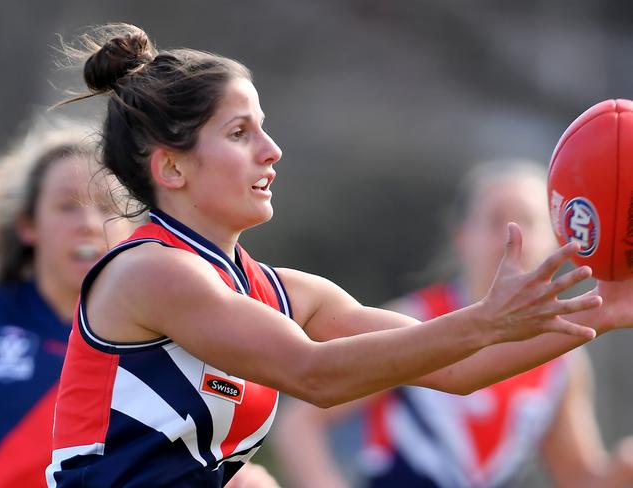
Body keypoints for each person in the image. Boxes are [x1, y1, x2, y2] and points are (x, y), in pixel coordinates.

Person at [46, 24, 633, 488]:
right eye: (239, 133)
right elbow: (315, 376)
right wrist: (484, 320)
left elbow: (459, 371)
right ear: (171, 167)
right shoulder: (151, 270)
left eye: (264, 128)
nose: (272, 151)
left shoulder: (284, 293)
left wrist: (607, 308)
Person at [271, 161, 633, 488]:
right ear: (463, 238)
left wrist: (625, 467)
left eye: (528, 222)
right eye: (496, 222)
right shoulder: (413, 319)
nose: (511, 238)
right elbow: (300, 423)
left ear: (557, 241)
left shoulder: (562, 358)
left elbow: (580, 479)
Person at [0, 118, 135, 487]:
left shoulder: (162, 343)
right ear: (28, 225)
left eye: (107, 206)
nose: (87, 223)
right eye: (68, 206)